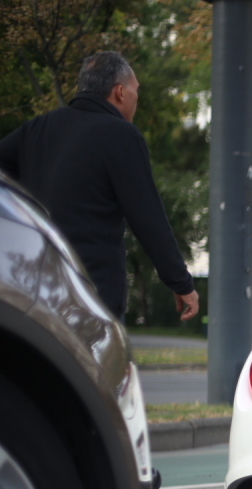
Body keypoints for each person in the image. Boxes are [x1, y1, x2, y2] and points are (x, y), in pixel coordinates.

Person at [0, 52, 197, 322]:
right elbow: (148, 218)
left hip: (34, 290)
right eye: (135, 90)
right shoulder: (121, 136)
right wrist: (181, 282)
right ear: (120, 93)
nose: (136, 98)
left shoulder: (37, 129)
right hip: (91, 295)